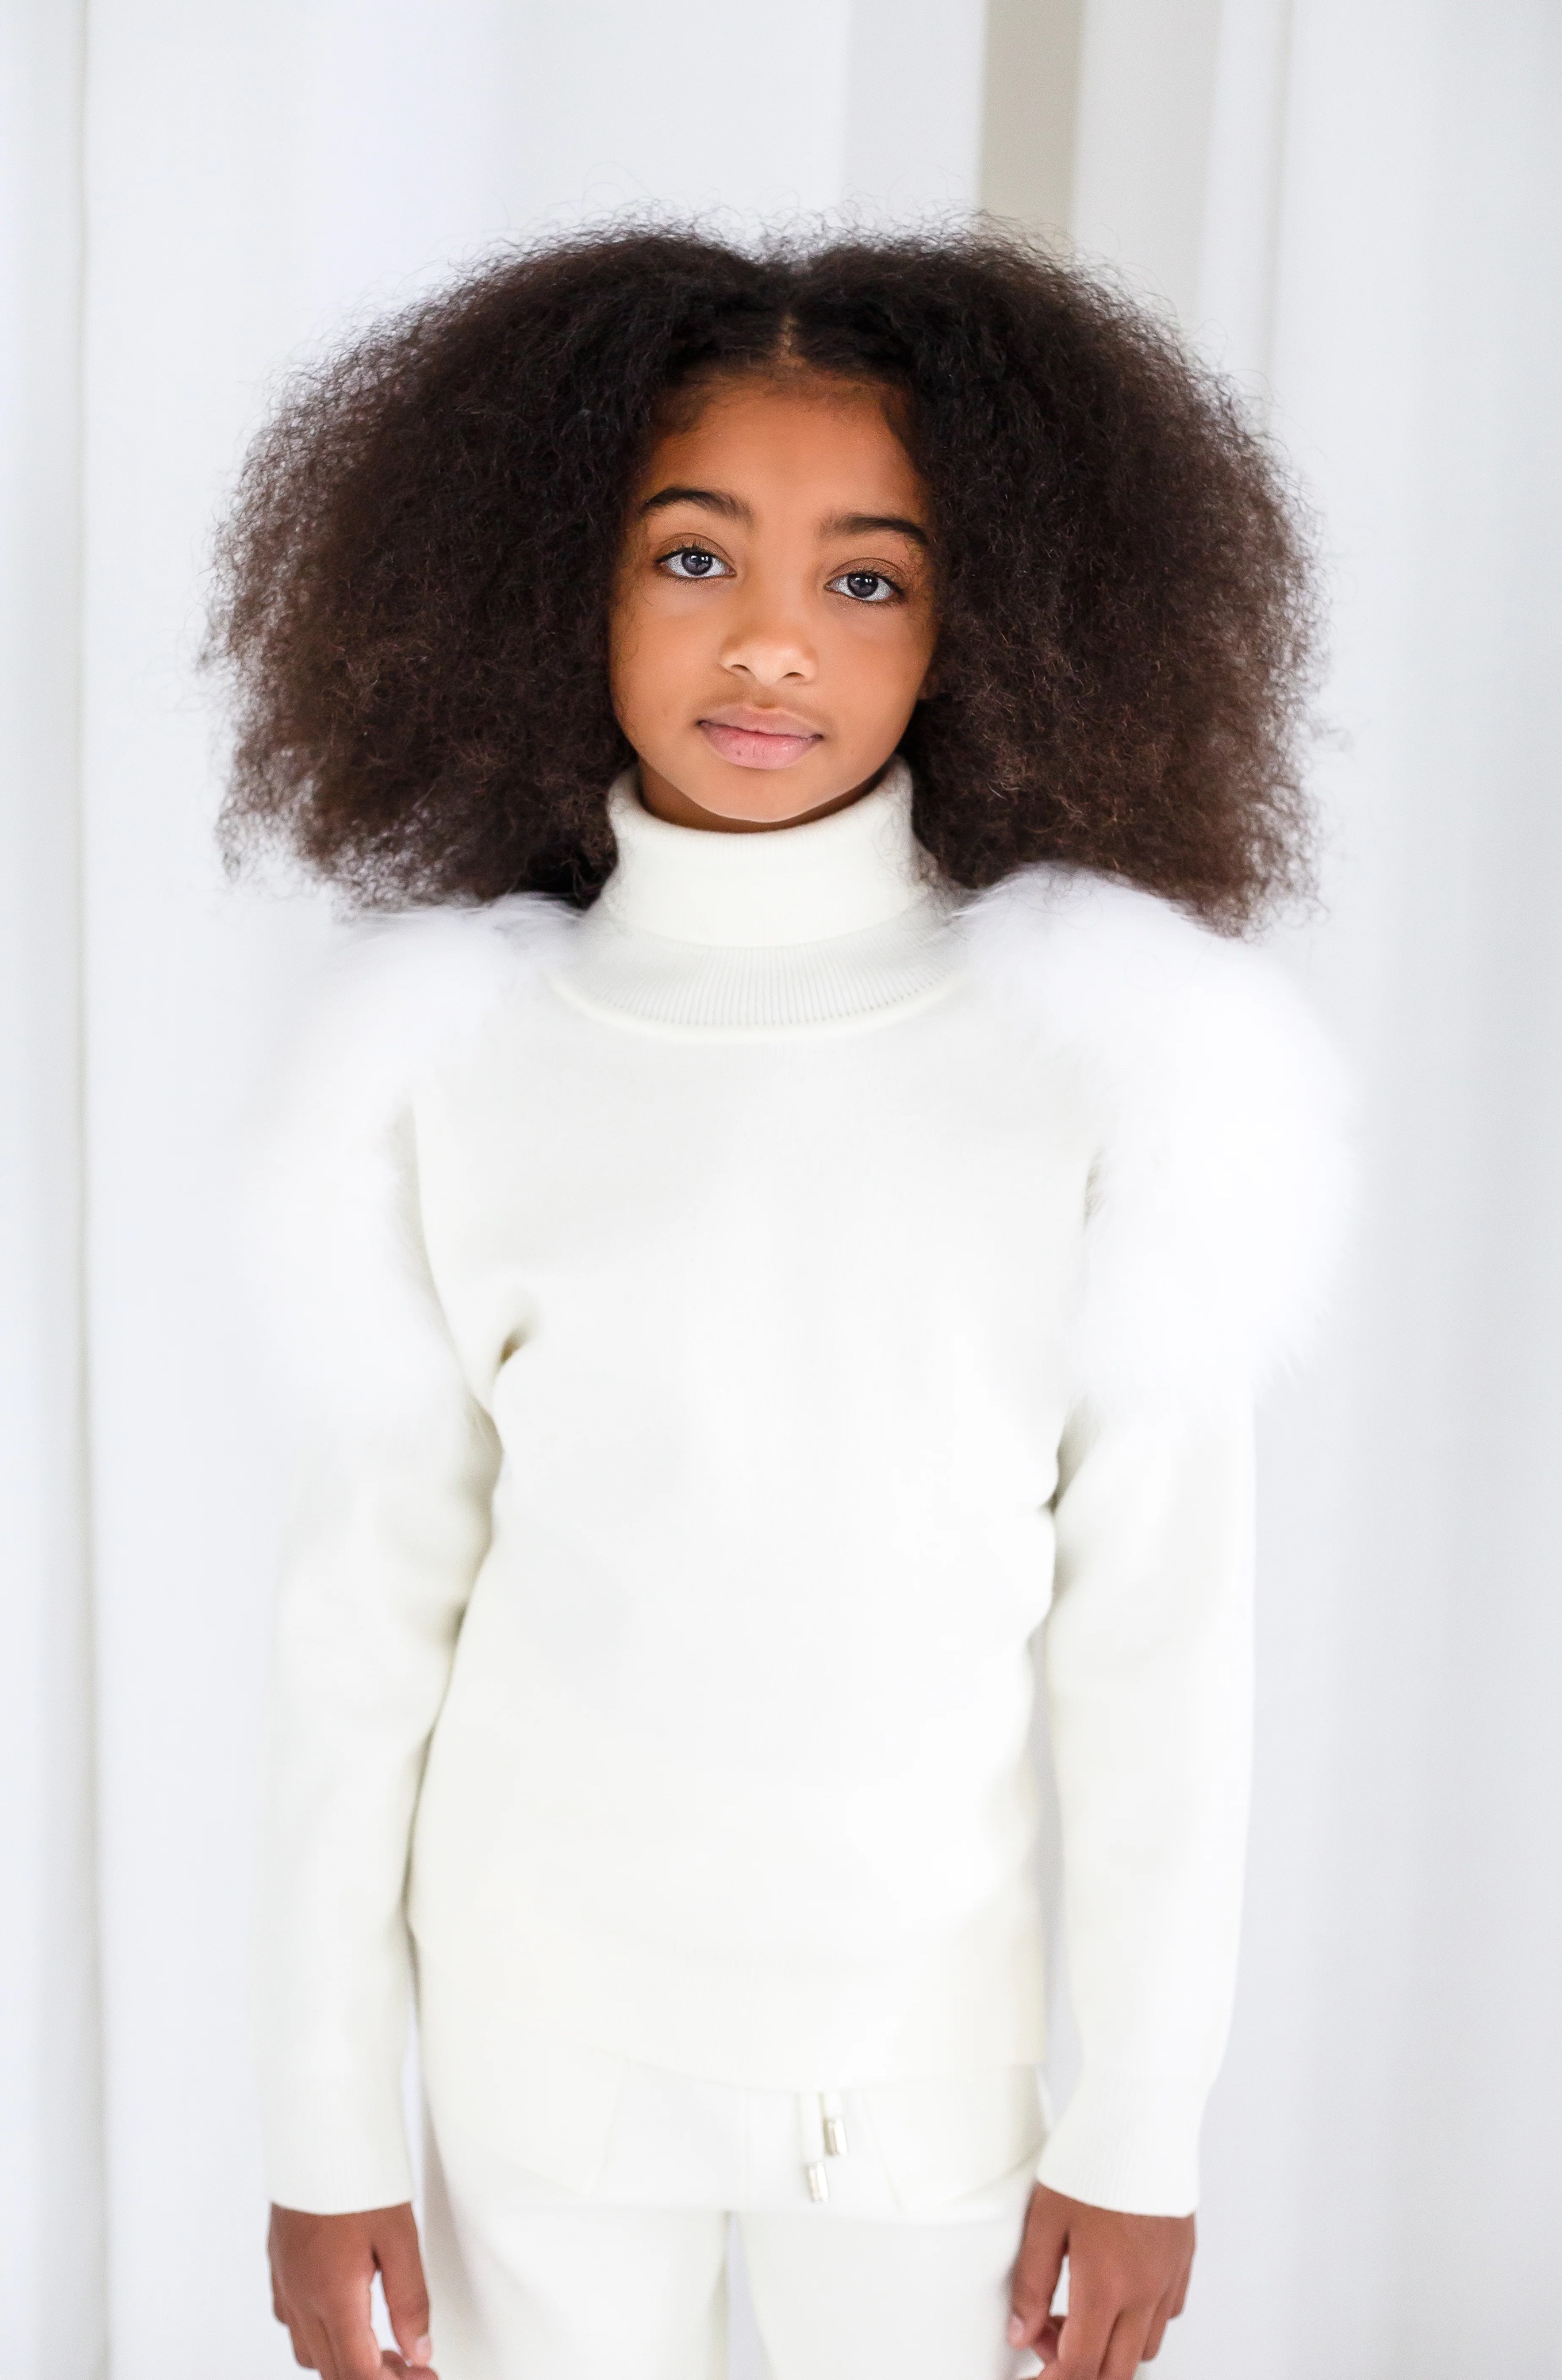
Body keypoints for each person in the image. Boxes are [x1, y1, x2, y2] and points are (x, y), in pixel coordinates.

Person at [210, 224, 1347, 2380]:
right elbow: (357, 1638)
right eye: (690, 556)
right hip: (531, 2069)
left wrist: (1141, 2128)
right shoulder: (446, 1062)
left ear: (985, 620)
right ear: (552, 581)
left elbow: (1158, 1643)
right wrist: (323, 2125)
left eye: (867, 580)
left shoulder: (1108, 1058)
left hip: (927, 2076)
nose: (769, 643)